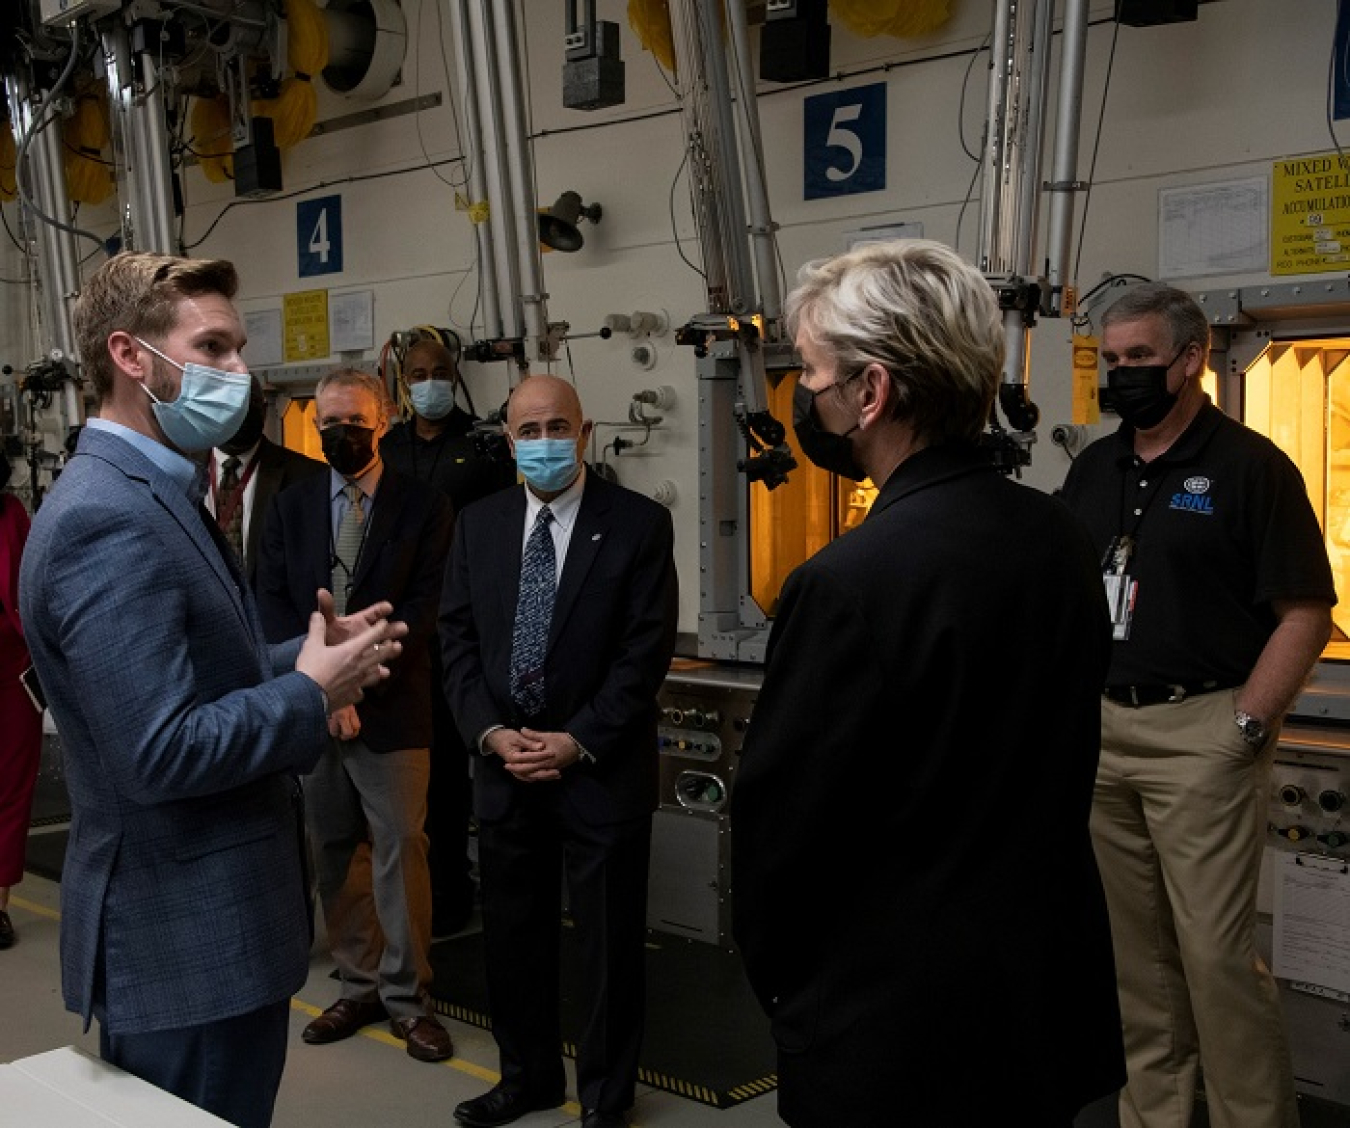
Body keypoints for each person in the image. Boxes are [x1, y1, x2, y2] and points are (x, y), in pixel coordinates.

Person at [728, 239, 1126, 1127]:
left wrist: (796, 1002)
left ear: (870, 393)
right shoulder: (1057, 537)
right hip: (1041, 1000)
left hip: (896, 1032)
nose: (808, 404)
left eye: (814, 383)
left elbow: (782, 839)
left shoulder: (845, 584)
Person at [18, 251, 405, 1128]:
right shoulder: (102, 521)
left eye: (241, 349)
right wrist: (308, 693)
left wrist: (302, 659)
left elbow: (188, 675)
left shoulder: (156, 491)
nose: (243, 373)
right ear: (130, 356)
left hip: (216, 933)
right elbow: (159, 749)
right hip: (183, 942)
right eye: (216, 348)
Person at [1058, 281, 1336, 1128]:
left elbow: (1306, 614)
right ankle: (1157, 1117)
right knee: (1135, 962)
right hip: (1104, 734)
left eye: (1140, 358)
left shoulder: (1251, 469)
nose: (1122, 375)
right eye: (1111, 360)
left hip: (1202, 733)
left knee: (1213, 957)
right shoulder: (1093, 468)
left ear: (1192, 359)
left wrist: (1246, 726)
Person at [440, 373, 678, 1128]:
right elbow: (456, 642)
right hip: (506, 768)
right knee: (513, 937)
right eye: (527, 431)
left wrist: (577, 740)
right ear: (508, 442)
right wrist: (489, 732)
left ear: (584, 432)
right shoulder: (477, 524)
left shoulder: (637, 524)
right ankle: (529, 1078)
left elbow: (645, 652)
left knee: (607, 947)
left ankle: (607, 1097)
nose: (543, 442)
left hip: (598, 772)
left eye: (557, 427)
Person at [256, 367, 456, 1064]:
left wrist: (356, 680)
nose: (340, 434)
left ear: (384, 421)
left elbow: (426, 607)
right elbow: (273, 602)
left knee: (402, 845)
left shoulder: (423, 506)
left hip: (394, 703)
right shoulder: (290, 505)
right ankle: (358, 981)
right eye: (328, 424)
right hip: (313, 704)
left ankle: (408, 999)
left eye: (353, 423)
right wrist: (321, 688)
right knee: (335, 847)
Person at [381, 336, 516, 937]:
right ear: (404, 383)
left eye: (440, 372)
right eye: (418, 373)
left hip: (466, 633)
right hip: (403, 635)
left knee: (463, 772)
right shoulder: (387, 448)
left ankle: (458, 895)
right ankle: (418, 898)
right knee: (413, 773)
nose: (429, 381)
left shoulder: (484, 447)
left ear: (455, 378)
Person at [206, 375, 325, 586]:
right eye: (227, 407)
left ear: (264, 410)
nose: (236, 416)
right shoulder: (178, 472)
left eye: (245, 407)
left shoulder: (308, 476)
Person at [0, 453, 41, 950]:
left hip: (12, 672)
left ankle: (0, 904)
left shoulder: (12, 514)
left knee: (11, 791)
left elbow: (31, 586)